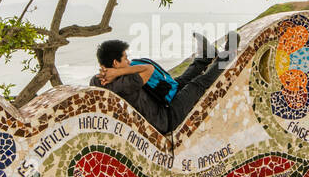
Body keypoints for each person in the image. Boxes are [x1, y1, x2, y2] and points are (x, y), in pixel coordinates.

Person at [91, 32, 240, 135]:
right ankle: (228, 55)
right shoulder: (126, 82)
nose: (129, 61)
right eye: (125, 58)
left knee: (179, 81)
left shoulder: (98, 81)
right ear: (115, 63)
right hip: (167, 118)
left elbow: (94, 80)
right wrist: (117, 72)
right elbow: (148, 69)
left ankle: (205, 57)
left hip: (160, 104)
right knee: (198, 84)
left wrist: (112, 72)